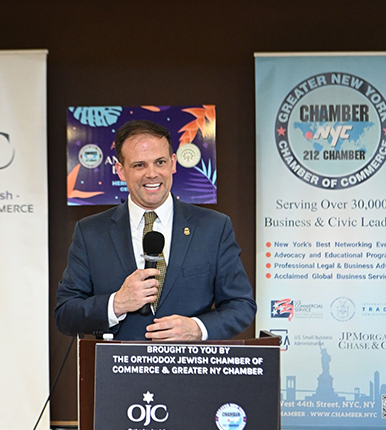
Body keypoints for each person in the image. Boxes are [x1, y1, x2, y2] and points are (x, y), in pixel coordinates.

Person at [55, 120, 256, 341]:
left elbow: (241, 305)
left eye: (160, 162)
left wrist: (197, 328)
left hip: (189, 363)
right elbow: (65, 314)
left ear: (173, 163)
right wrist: (117, 304)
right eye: (139, 165)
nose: (152, 174)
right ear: (120, 171)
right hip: (119, 362)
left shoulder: (214, 227)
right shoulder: (90, 232)